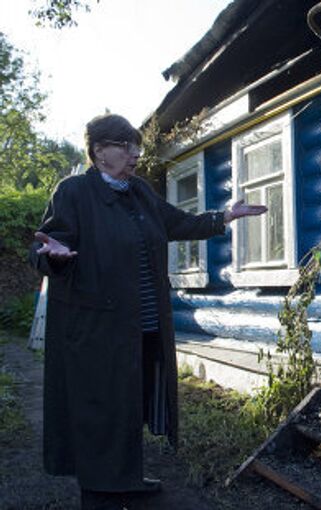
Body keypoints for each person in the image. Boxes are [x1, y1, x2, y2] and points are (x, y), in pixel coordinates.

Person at [28, 113, 267, 509]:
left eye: (135, 146)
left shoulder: (138, 191)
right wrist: (54, 256)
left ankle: (126, 478)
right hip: (97, 326)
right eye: (125, 146)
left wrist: (223, 216)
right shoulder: (73, 192)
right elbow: (45, 247)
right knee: (101, 406)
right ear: (99, 151)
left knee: (131, 402)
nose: (135, 153)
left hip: (144, 322)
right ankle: (99, 491)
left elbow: (178, 223)